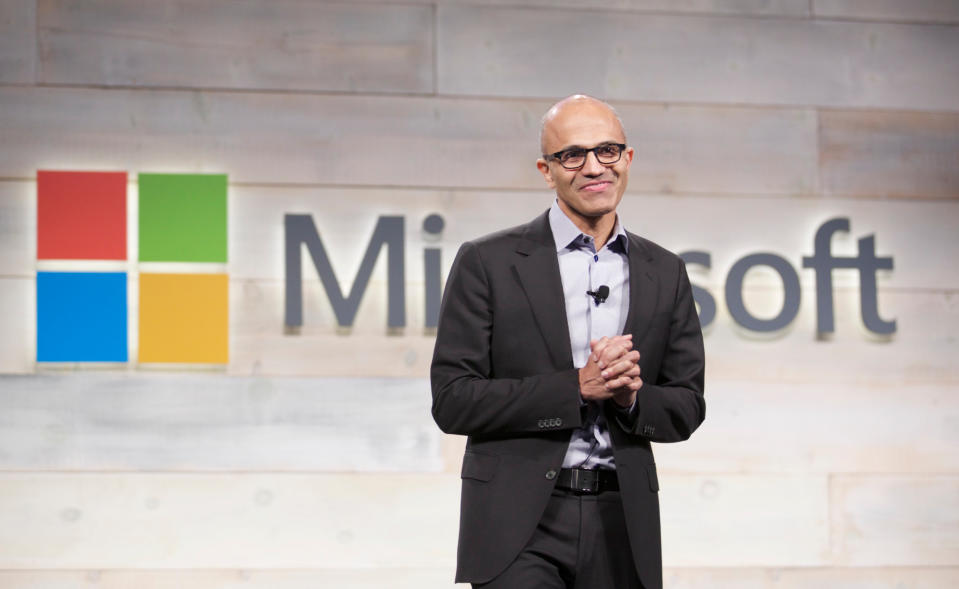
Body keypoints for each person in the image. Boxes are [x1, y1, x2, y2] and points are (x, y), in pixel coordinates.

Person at [430, 94, 706, 589]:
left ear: (628, 159)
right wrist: (576, 387)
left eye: (607, 151)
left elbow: (687, 405)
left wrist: (630, 398)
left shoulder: (665, 270)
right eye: (572, 155)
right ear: (546, 169)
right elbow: (453, 401)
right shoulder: (488, 262)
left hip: (622, 518)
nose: (594, 167)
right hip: (518, 524)